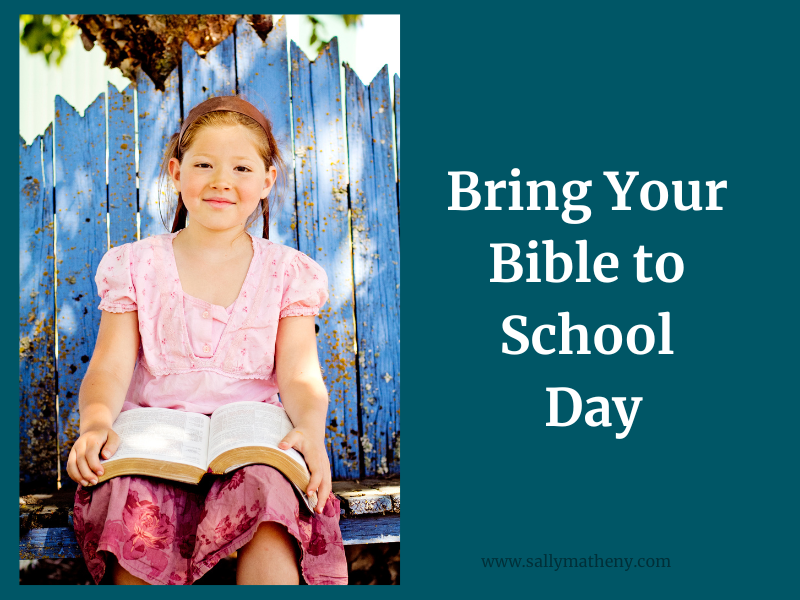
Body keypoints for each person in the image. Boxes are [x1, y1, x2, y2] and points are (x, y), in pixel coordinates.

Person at [67, 96, 347, 585]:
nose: (221, 180)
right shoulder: (135, 265)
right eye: (203, 164)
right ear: (176, 172)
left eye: (241, 167)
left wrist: (310, 431)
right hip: (157, 436)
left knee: (269, 491)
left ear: (266, 182)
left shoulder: (288, 273)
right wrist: (94, 424)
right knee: (135, 495)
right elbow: (110, 366)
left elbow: (300, 375)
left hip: (249, 440)